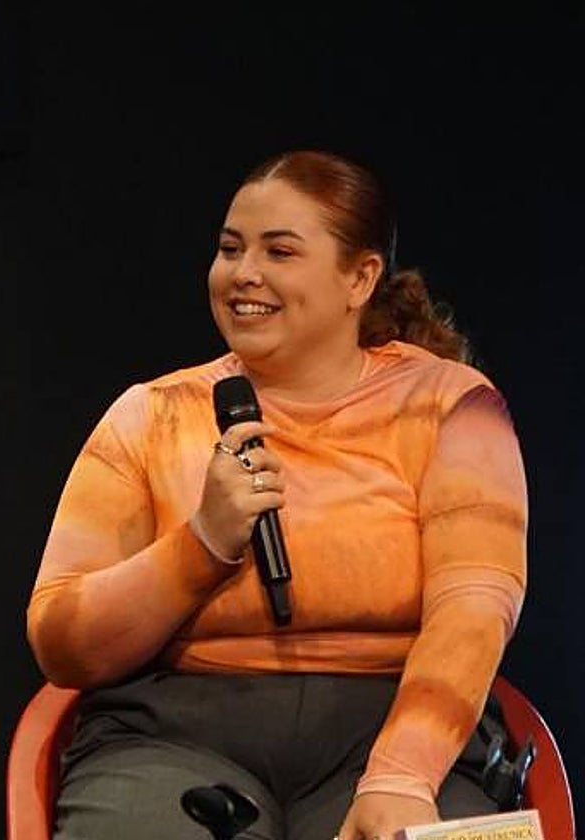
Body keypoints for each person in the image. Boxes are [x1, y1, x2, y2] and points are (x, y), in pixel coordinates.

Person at [26, 150, 527, 840]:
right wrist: (202, 542)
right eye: (230, 249)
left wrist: (401, 777)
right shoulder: (152, 414)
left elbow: (475, 607)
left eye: (279, 251)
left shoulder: (451, 406)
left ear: (360, 277)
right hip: (176, 737)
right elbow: (61, 645)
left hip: (390, 733)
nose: (244, 274)